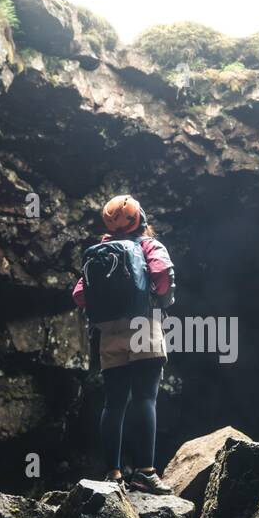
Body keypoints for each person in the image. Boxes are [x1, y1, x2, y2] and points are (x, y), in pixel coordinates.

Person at [73, 195, 175, 493]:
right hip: (143, 325)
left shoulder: (99, 254)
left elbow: (79, 296)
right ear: (139, 217)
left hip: (109, 333)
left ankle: (113, 474)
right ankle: (145, 472)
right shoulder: (147, 245)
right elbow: (161, 276)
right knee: (145, 398)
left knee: (114, 403)